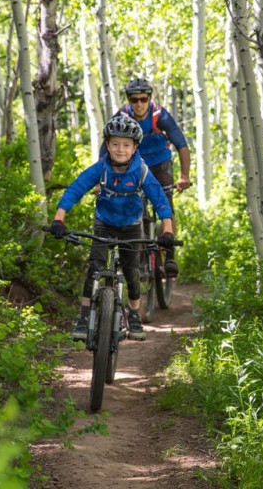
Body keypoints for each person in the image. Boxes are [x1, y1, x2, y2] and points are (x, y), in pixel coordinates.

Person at [49, 115, 175, 341]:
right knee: (94, 268)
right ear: (107, 145)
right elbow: (76, 189)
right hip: (104, 224)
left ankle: (134, 313)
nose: (120, 149)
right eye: (115, 144)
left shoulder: (142, 171)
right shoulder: (101, 168)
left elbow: (160, 199)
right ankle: (85, 316)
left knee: (132, 273)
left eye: (126, 145)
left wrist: (167, 230)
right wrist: (59, 219)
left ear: (135, 147)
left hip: (131, 227)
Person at [107, 78, 191, 278]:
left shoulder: (159, 115)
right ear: (129, 100)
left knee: (165, 204)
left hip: (160, 162)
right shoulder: (123, 115)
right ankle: (143, 262)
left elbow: (181, 144)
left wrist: (184, 175)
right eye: (134, 99)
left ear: (149, 98)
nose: (139, 104)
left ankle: (169, 255)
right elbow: (106, 148)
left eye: (143, 99)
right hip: (135, 165)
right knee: (137, 210)